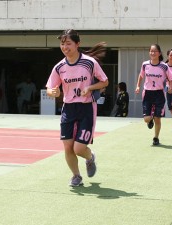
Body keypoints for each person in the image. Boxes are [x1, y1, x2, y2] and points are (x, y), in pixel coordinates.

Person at [46, 29, 108, 187]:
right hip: (68, 108)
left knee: (79, 148)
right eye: (62, 44)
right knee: (68, 147)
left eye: (68, 43)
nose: (65, 47)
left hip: (86, 108)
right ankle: (76, 176)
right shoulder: (59, 67)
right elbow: (50, 88)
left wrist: (91, 87)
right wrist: (53, 92)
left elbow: (105, 82)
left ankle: (90, 157)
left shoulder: (89, 62)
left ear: (77, 44)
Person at [135, 44, 172, 145]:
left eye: (155, 51)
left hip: (159, 94)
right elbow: (141, 76)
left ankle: (156, 138)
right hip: (147, 93)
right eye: (151, 51)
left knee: (158, 118)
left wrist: (170, 87)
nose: (152, 53)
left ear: (159, 53)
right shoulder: (145, 64)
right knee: (146, 119)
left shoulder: (164, 66)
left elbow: (171, 78)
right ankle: (150, 119)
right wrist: (138, 86)